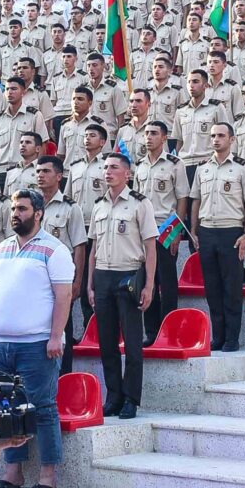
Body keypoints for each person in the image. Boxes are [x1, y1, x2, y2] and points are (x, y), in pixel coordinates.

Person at [0, 190, 74, 488]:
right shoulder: (2, 249)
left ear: (39, 212)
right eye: (13, 208)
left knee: (43, 408)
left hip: (37, 344)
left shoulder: (54, 250)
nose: (15, 214)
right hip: (2, 343)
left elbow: (63, 296)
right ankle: (13, 472)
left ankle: (48, 475)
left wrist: (56, 335)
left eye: (22, 208)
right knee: (5, 410)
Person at [84, 153, 157, 420]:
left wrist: (149, 285)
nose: (107, 172)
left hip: (129, 276)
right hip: (103, 275)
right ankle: (113, 396)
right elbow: (93, 248)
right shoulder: (99, 205)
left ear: (127, 173)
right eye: (105, 168)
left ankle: (131, 398)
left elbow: (150, 247)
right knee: (107, 343)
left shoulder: (140, 204)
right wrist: (90, 285)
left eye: (114, 167)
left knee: (133, 343)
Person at [190, 122, 245, 353]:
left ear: (232, 139)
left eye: (221, 135)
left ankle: (232, 338)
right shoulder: (202, 168)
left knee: (231, 287)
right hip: (207, 230)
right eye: (213, 136)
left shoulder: (242, 167)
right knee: (212, 288)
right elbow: (196, 200)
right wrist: (194, 231)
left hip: (231, 231)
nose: (216, 140)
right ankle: (217, 336)